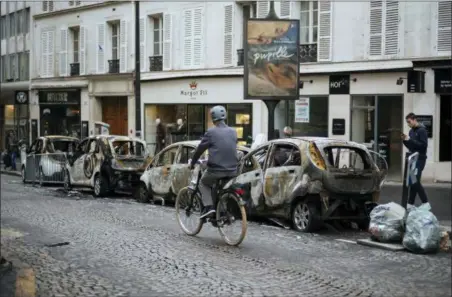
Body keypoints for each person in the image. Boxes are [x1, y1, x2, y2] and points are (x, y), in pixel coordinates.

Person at [189, 106, 238, 219]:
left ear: (212, 118)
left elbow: (200, 149)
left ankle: (209, 208)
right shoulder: (233, 131)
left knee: (203, 182)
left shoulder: (211, 132)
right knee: (219, 188)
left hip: (217, 169)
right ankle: (220, 212)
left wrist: (193, 163)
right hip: (233, 170)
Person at [401, 113, 430, 210]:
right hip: (413, 158)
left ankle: (425, 203)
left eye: (409, 122)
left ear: (414, 120)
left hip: (420, 158)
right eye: (407, 122)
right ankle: (410, 204)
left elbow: (423, 146)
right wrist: (405, 140)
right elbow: (411, 146)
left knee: (415, 181)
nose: (408, 124)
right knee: (412, 181)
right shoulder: (411, 132)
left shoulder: (422, 130)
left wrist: (410, 140)